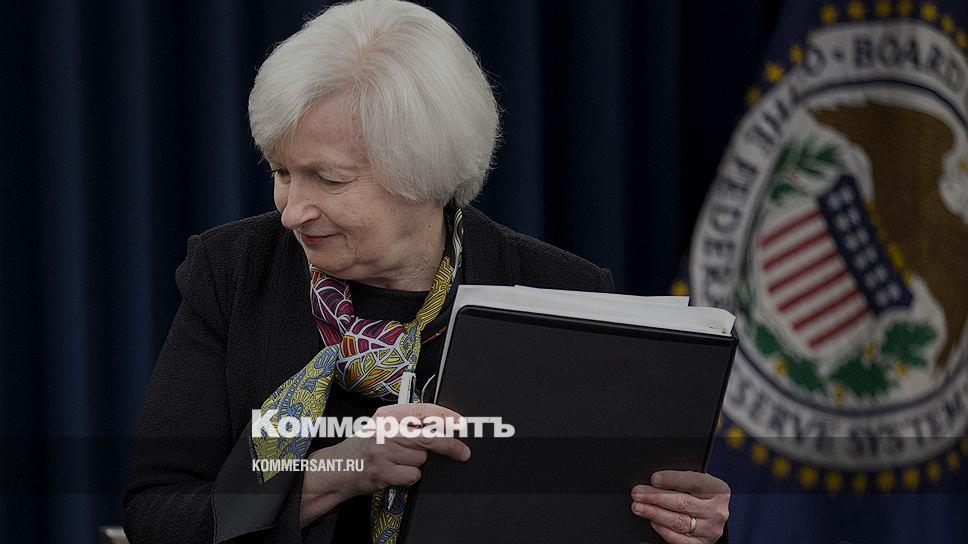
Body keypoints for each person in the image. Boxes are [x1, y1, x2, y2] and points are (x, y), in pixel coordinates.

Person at [123, 1, 730, 543]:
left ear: (425, 175)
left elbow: (607, 514)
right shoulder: (234, 273)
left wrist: (686, 523)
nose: (291, 211)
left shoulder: (565, 293)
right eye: (282, 173)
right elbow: (156, 514)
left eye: (328, 179)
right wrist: (340, 470)